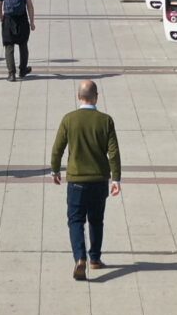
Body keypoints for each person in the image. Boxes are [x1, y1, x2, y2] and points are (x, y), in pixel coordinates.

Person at [50, 80, 124, 280]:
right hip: (99, 181)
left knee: (75, 220)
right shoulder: (105, 121)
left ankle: (79, 258)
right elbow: (114, 152)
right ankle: (95, 258)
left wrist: (55, 170)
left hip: (76, 181)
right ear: (96, 97)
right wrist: (116, 178)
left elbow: (58, 148)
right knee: (96, 220)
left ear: (78, 96)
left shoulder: (69, 119)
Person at [0, 0, 36, 81]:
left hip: (8, 20)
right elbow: (30, 5)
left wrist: (1, 17)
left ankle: (11, 73)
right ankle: (23, 70)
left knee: (9, 46)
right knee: (23, 45)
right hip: (22, 19)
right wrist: (32, 21)